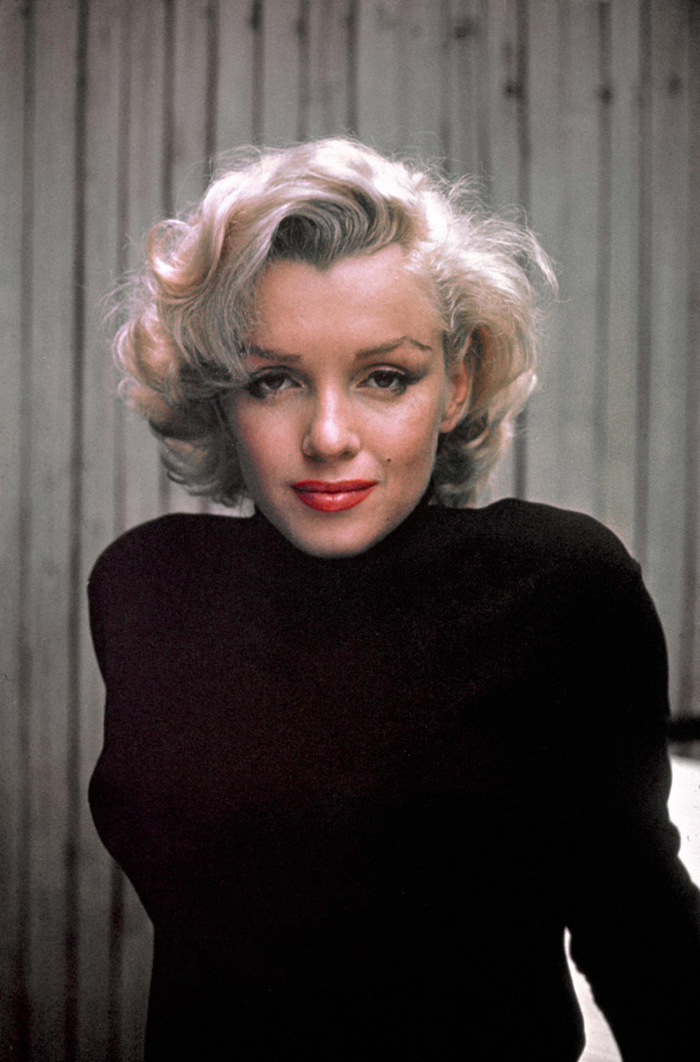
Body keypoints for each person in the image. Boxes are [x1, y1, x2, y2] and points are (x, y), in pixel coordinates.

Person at [88, 138, 700, 1061]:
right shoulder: (144, 588)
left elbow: (643, 936)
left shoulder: (560, 589)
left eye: (385, 377)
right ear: (220, 396)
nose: (329, 436)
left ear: (456, 386)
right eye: (274, 380)